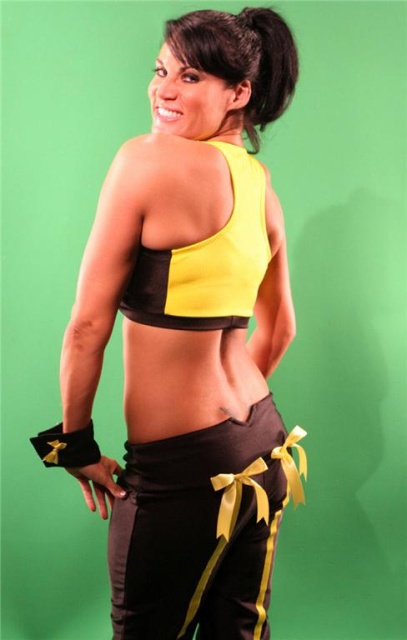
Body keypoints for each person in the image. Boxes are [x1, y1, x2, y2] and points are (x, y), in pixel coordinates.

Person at [31, 6, 307, 639]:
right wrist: (231, 430)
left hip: (180, 469)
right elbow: (280, 328)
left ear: (240, 92)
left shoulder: (146, 160)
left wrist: (72, 445)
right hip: (263, 448)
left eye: (190, 77)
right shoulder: (259, 182)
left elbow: (86, 327)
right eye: (161, 72)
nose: (164, 91)